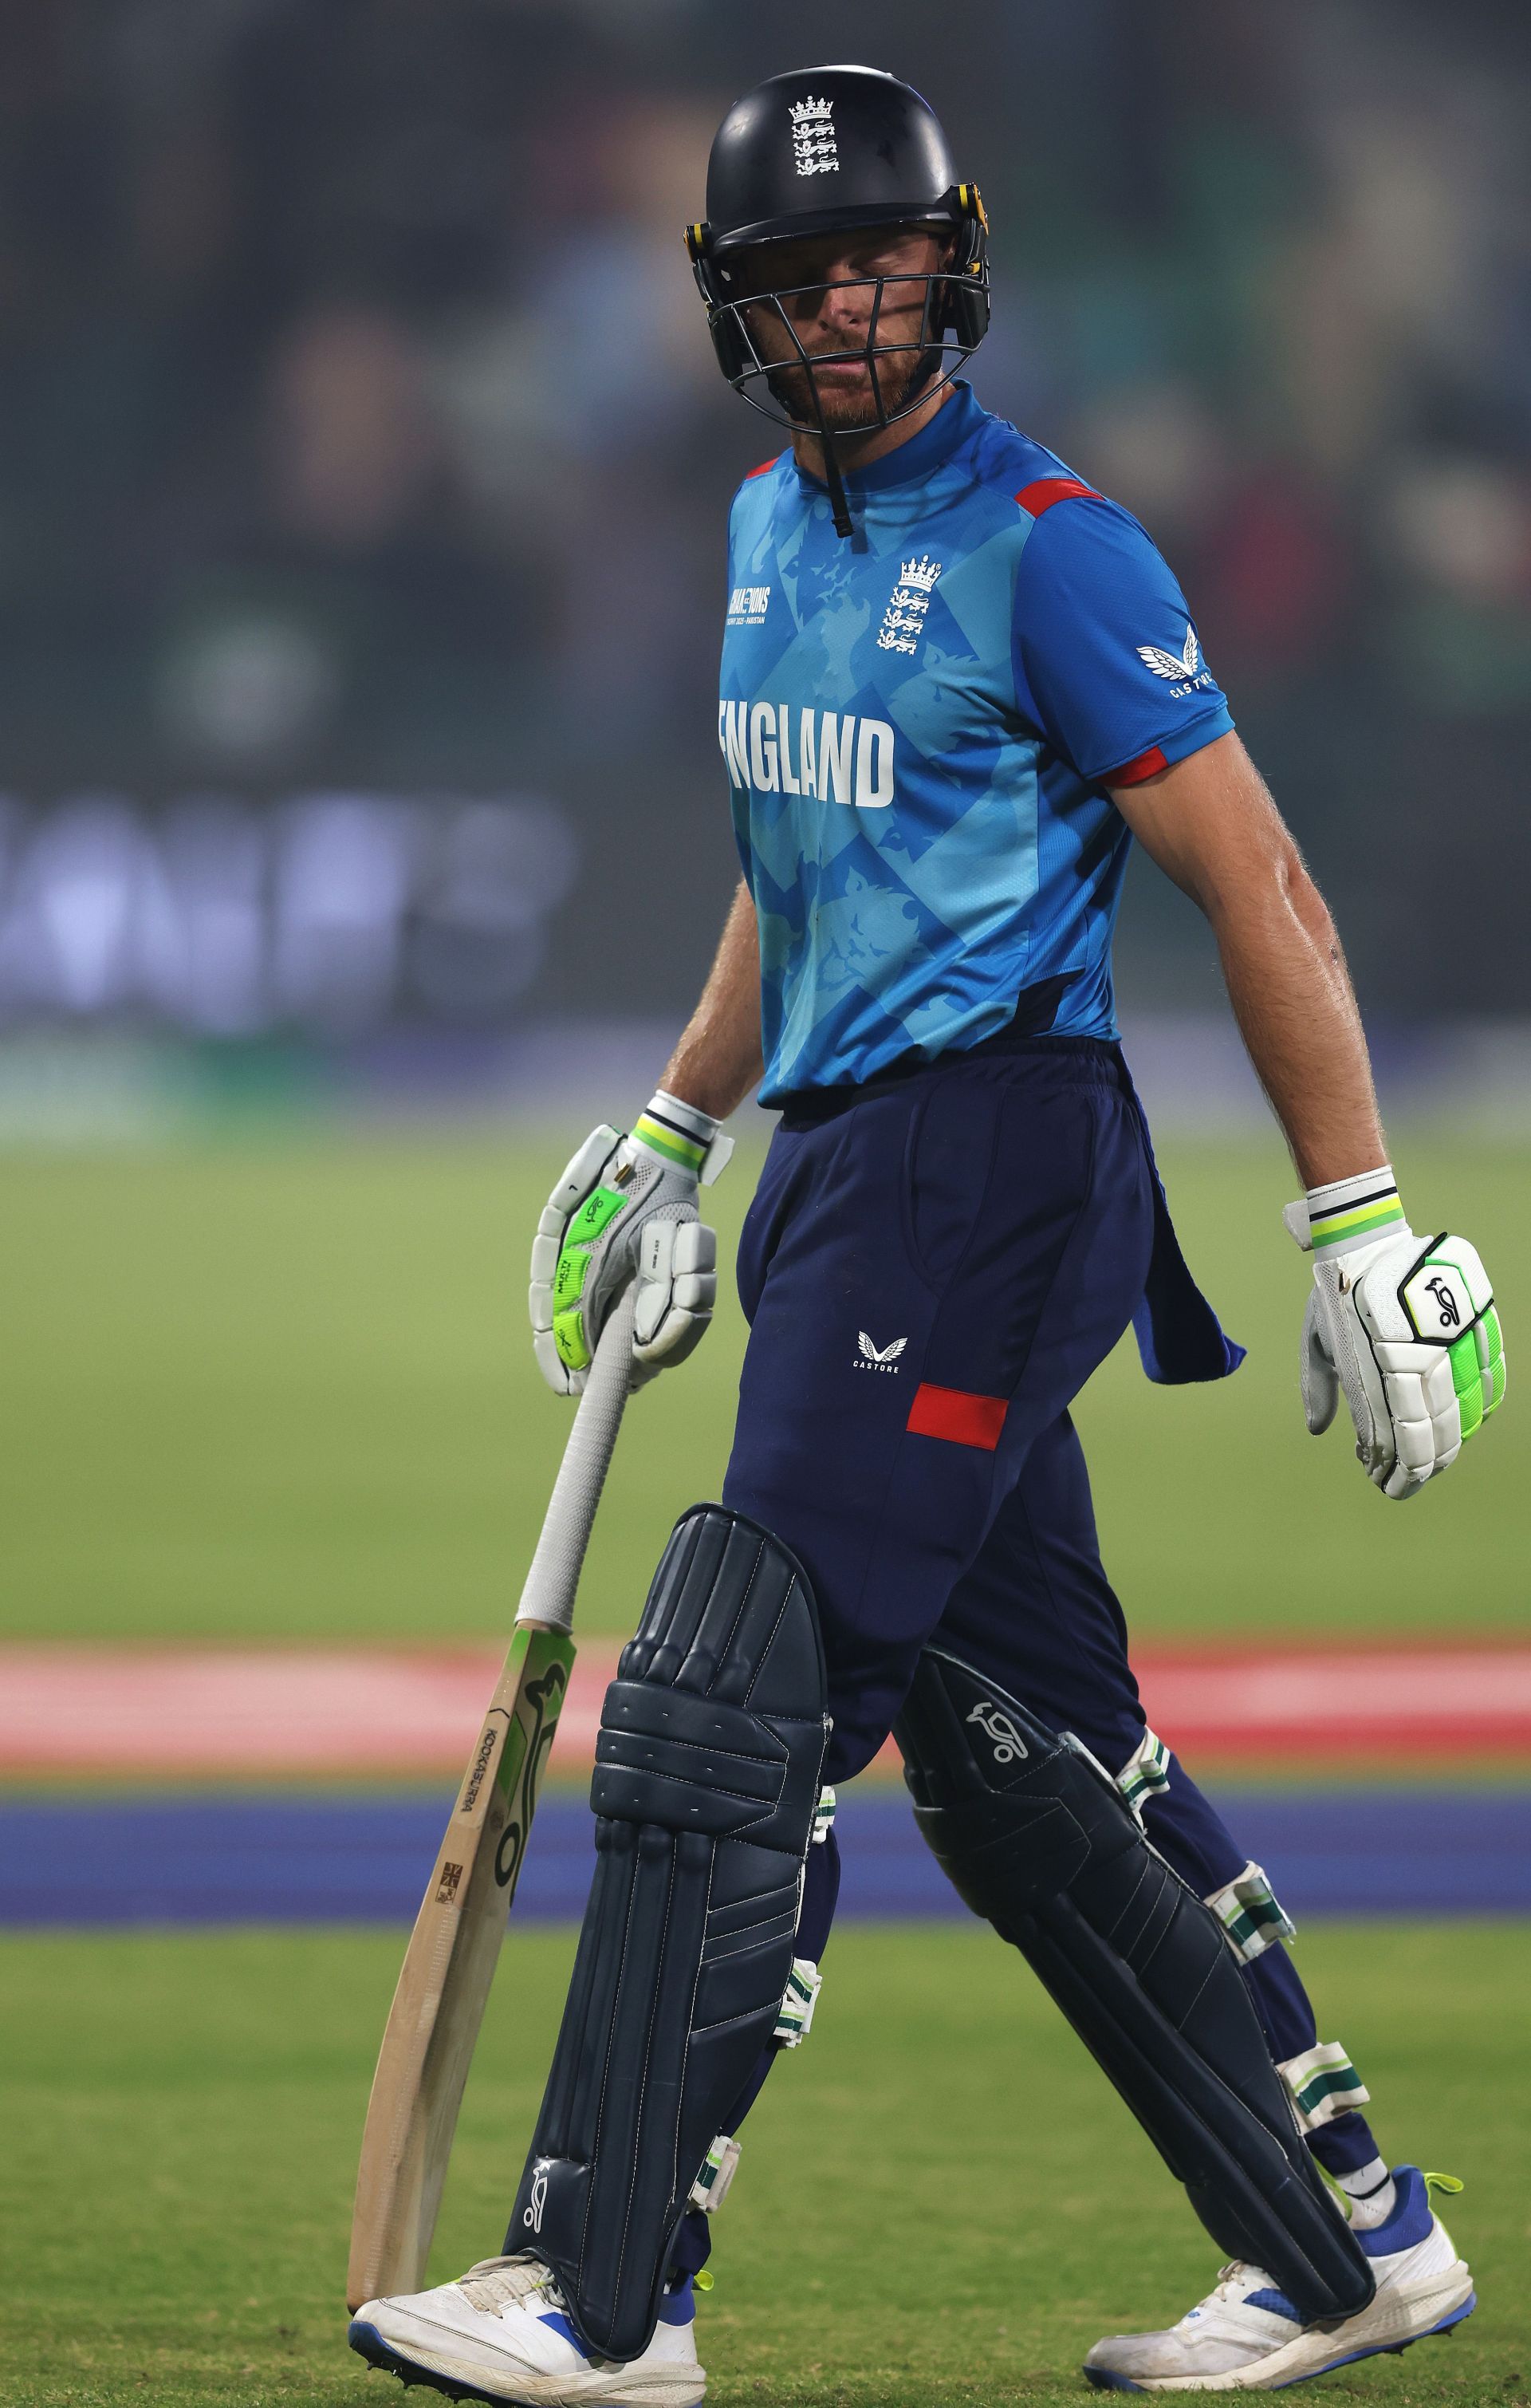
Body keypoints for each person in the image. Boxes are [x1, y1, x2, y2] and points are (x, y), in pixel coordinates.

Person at [349, 64, 1504, 2403]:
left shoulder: (1054, 544)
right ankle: (1346, 2235)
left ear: (954, 264)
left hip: (989, 1167)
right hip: (839, 1174)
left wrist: (1357, 1213)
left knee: (724, 1687)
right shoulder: (775, 534)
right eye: (794, 277)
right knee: (1022, 1746)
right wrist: (680, 1126)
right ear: (734, 314)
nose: (845, 308)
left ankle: (603, 2290)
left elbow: (1257, 876)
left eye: (877, 261)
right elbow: (803, 868)